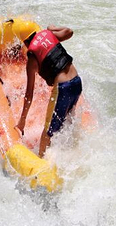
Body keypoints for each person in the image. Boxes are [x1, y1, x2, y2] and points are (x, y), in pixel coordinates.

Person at [13, 21, 82, 157]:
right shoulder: (50, 34)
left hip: (63, 88)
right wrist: (53, 28)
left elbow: (29, 94)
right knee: (68, 123)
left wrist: (22, 121)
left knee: (47, 133)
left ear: (26, 43)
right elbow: (70, 31)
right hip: (77, 82)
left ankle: (42, 164)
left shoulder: (32, 56)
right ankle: (71, 155)